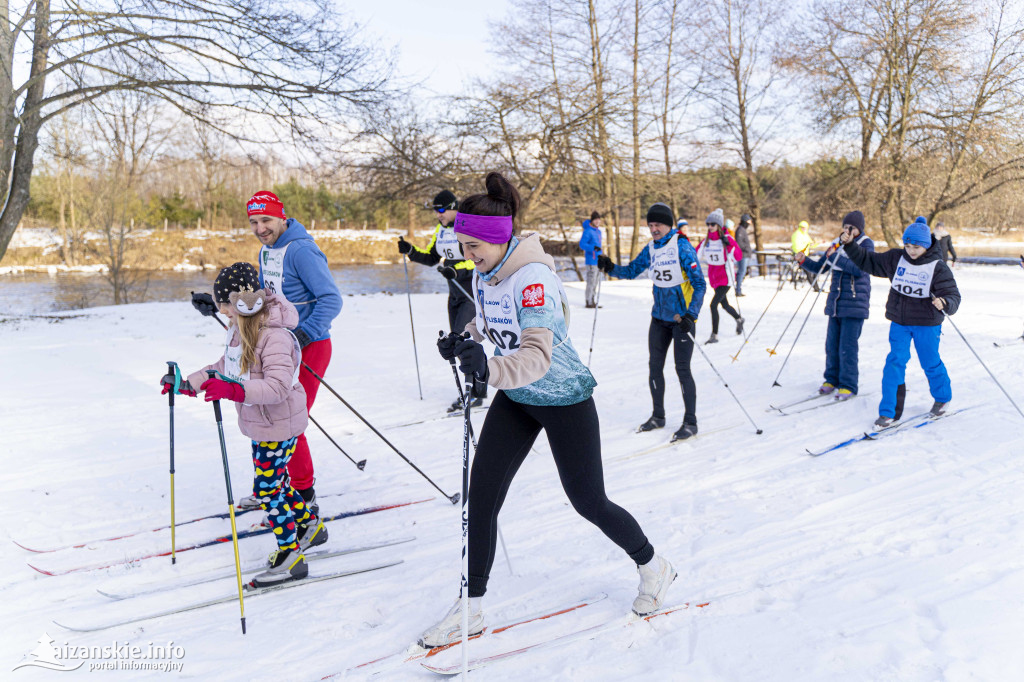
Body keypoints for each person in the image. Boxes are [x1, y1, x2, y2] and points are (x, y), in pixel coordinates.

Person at [420, 173, 676, 647]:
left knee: (588, 501)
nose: (466, 254)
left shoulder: (534, 278)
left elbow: (536, 357)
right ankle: (470, 608)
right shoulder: (486, 270)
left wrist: (487, 368)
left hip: (563, 398)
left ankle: (653, 566)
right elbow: (492, 315)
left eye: (472, 244)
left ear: (496, 239)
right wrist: (467, 340)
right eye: (463, 245)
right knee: (482, 496)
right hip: (518, 397)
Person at [163, 263, 326, 586]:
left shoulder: (275, 336)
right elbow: (223, 367)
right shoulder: (241, 331)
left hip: (278, 424)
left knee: (267, 490)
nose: (222, 313)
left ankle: (290, 555)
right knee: (275, 484)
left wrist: (235, 390)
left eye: (224, 306)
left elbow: (278, 388)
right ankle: (311, 526)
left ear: (240, 302)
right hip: (261, 424)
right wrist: (187, 384)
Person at [244, 191, 342, 518]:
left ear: (281, 217)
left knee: (288, 421)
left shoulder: (300, 250)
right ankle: (270, 485)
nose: (260, 228)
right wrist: (229, 304)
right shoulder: (266, 251)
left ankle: (305, 494)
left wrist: (302, 334)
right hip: (280, 345)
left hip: (311, 346)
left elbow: (331, 300)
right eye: (254, 222)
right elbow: (265, 298)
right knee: (263, 409)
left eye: (266, 220)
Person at [598, 202, 707, 440]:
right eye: (650, 225)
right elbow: (631, 271)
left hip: (681, 319)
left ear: (668, 225)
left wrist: (692, 315)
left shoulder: (682, 247)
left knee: (683, 370)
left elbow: (700, 284)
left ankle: (691, 422)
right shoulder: (651, 248)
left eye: (658, 224)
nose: (654, 228)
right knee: (654, 367)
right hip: (658, 319)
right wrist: (610, 267)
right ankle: (658, 416)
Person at [841, 219, 961, 428]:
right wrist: (850, 245)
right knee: (894, 362)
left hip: (927, 323)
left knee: (930, 362)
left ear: (926, 244)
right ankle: (889, 412)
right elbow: (868, 260)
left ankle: (942, 397)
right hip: (900, 322)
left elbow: (953, 295)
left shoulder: (937, 267)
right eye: (907, 245)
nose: (911, 251)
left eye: (916, 247)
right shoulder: (896, 259)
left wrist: (944, 302)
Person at [398, 190, 487, 412]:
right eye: (435, 211)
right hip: (454, 293)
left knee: (462, 340)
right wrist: (410, 250)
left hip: (469, 290)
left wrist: (455, 270)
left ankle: (474, 393)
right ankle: (476, 388)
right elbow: (431, 258)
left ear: (454, 207)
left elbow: (477, 258)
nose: (438, 215)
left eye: (441, 210)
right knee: (458, 341)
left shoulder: (466, 227)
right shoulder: (441, 230)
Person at [796, 210, 873, 399]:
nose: (847, 230)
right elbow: (820, 267)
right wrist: (804, 261)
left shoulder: (865, 244)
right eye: (845, 226)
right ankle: (831, 379)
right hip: (836, 304)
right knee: (831, 345)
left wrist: (834, 258)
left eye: (851, 228)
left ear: (859, 229)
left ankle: (848, 384)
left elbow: (859, 269)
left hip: (855, 304)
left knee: (847, 347)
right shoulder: (836, 244)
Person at [696, 209, 744, 344]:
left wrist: (729, 245)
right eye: (708, 224)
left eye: (713, 224)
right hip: (714, 279)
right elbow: (695, 255)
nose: (710, 227)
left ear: (718, 225)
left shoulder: (727, 238)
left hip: (726, 278)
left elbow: (738, 256)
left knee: (713, 305)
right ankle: (739, 319)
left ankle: (714, 335)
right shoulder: (706, 241)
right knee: (725, 305)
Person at [579, 211, 603, 308]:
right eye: (595, 220)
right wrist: (593, 248)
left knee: (596, 281)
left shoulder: (598, 231)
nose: (597, 222)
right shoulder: (588, 231)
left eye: (598, 220)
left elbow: (599, 247)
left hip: (597, 260)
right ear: (592, 220)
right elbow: (582, 244)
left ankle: (592, 300)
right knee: (591, 281)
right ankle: (588, 301)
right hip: (591, 260)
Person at [734, 213, 755, 296]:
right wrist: (746, 249)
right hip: (743, 255)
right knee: (741, 272)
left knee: (743, 272)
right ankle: (738, 290)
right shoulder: (740, 230)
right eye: (748, 222)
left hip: (745, 254)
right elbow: (739, 243)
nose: (749, 224)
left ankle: (739, 288)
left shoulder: (742, 230)